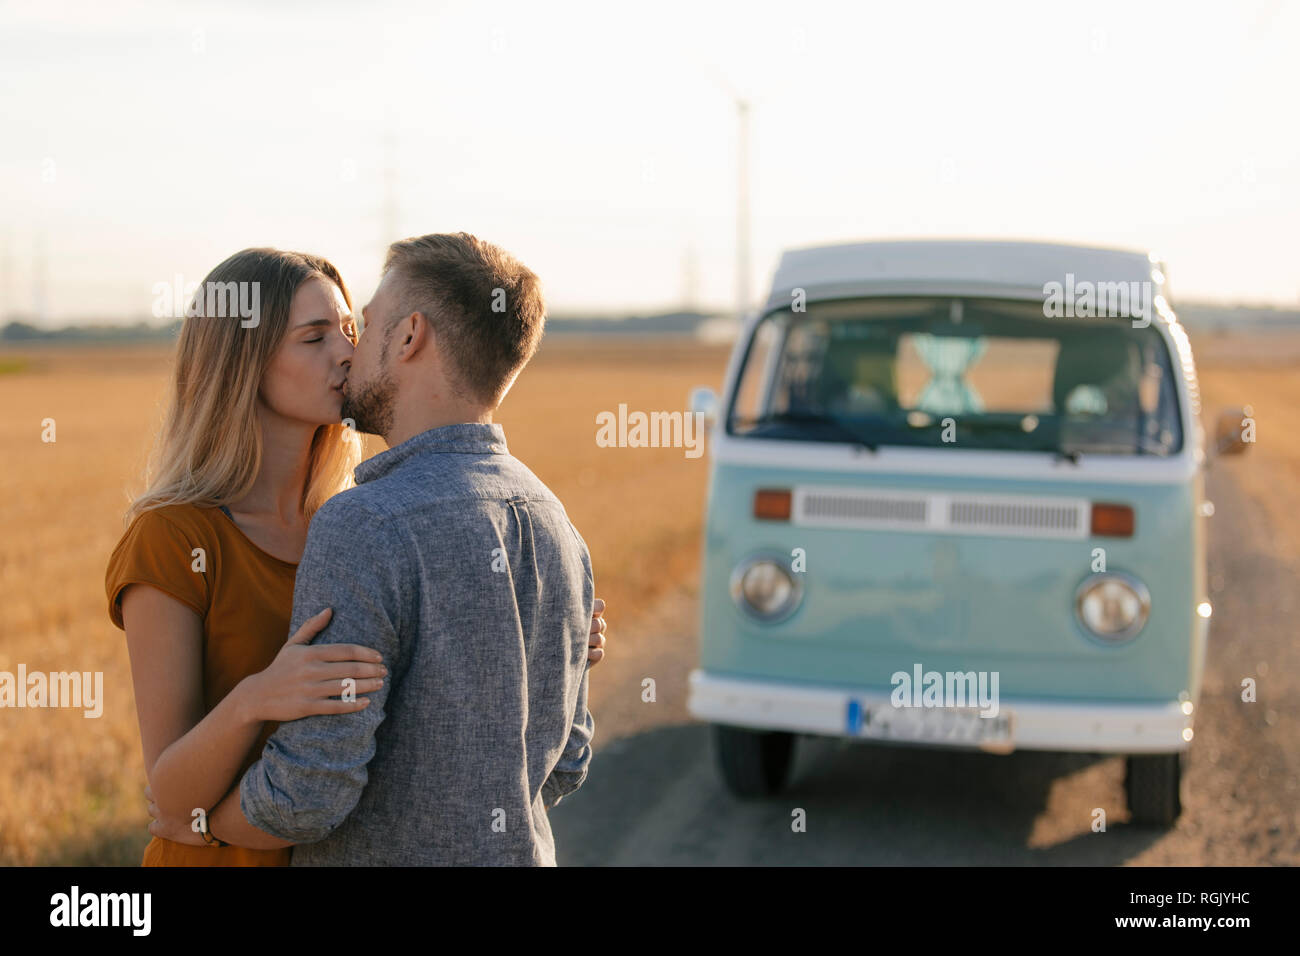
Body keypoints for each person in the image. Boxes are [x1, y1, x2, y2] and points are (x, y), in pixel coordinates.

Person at [108, 245, 607, 867]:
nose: (347, 352)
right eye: (314, 337)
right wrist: (258, 697)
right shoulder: (175, 538)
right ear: (242, 363)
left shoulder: (361, 524)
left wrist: (531, 641)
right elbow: (168, 789)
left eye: (350, 330)